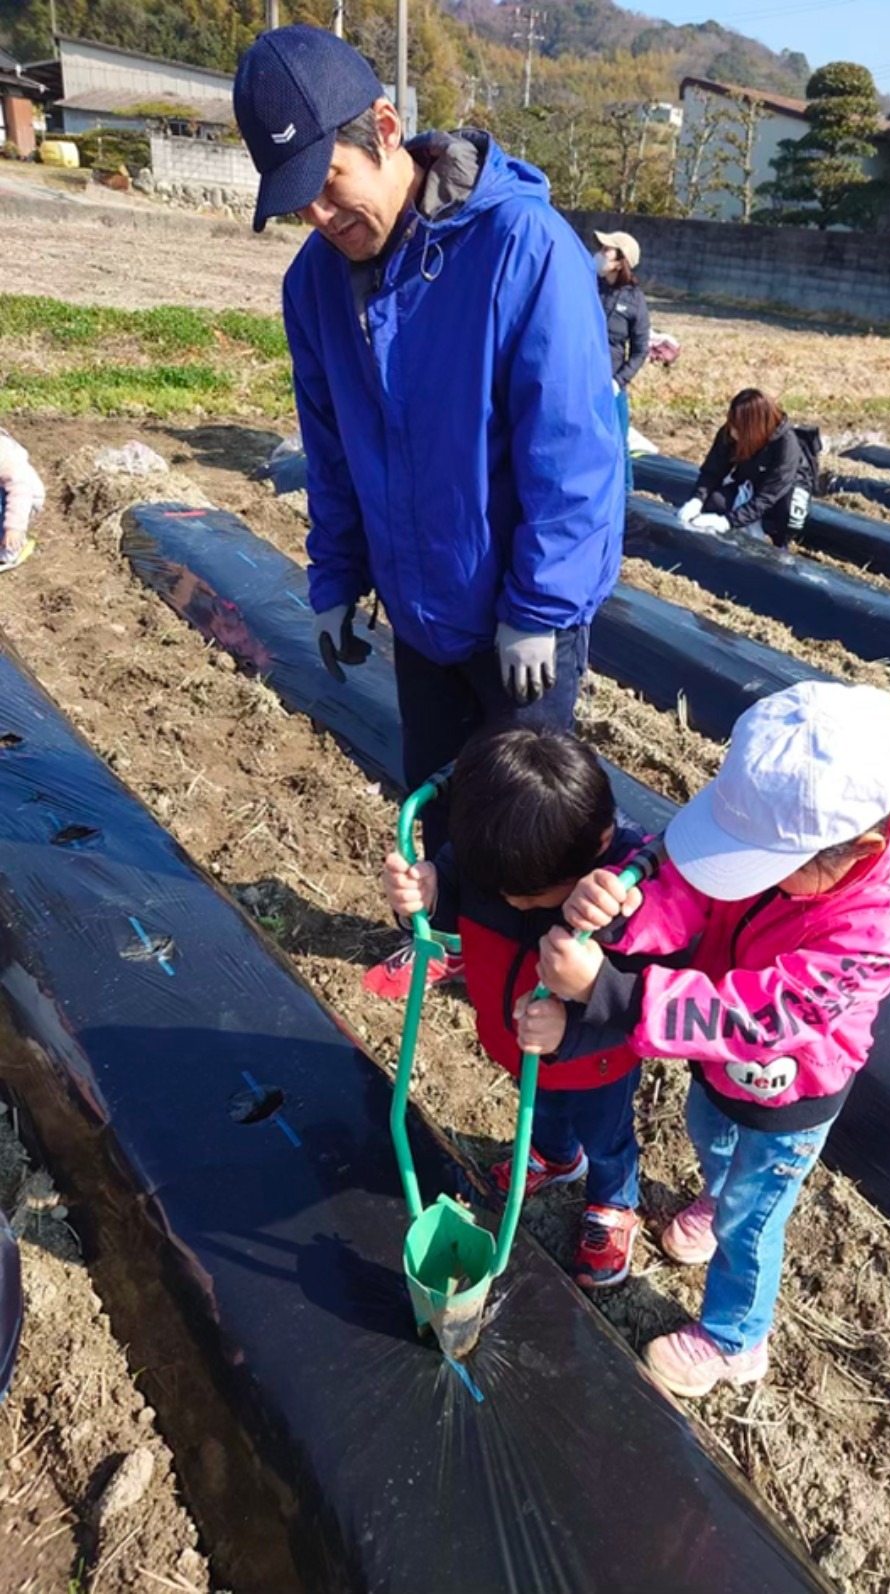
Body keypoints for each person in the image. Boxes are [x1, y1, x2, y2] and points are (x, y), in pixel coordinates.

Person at [233, 26, 624, 988]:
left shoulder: (520, 245)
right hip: (420, 605)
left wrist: (540, 607)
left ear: (385, 128)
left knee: (525, 821)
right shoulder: (314, 284)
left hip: (519, 614)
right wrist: (336, 577)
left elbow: (572, 448)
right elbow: (331, 447)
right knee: (436, 796)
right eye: (298, 200)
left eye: (330, 184)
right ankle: (446, 948)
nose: (321, 216)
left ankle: (547, 982)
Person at [520, 681, 890, 1396]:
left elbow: (759, 1018)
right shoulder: (779, 831)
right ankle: (716, 1197)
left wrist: (609, 992)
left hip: (789, 1093)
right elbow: (689, 887)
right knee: (710, 1134)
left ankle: (736, 1339)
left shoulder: (875, 926)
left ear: (858, 851)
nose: (746, 874)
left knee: (753, 1220)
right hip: (716, 1067)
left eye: (766, 865)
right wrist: (623, 912)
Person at [380, 727, 655, 1288]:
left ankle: (613, 1200)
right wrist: (429, 893)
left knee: (606, 1135)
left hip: (597, 1060)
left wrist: (572, 1028)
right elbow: (457, 890)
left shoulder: (629, 895)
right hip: (517, 1037)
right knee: (543, 1108)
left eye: (529, 898)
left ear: (599, 846)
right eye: (497, 891)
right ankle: (555, 1158)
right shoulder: (494, 852)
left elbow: (643, 1003)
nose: (510, 902)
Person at [678, 389, 820, 549]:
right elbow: (713, 471)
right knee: (714, 502)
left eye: (737, 428)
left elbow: (768, 496)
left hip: (783, 492)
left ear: (754, 427)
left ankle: (780, 543)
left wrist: (727, 521)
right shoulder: (731, 432)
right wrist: (697, 500)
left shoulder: (786, 446)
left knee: (790, 517)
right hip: (752, 481)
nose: (733, 432)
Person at [594, 230, 650, 493]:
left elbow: (640, 350)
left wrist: (618, 382)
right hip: (581, 378)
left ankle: (625, 496)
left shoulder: (634, 300)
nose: (599, 253)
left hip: (611, 385)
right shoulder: (589, 286)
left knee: (618, 444)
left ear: (620, 262)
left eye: (606, 249)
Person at [0, 428, 45, 572]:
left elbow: (20, 492)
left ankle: (11, 548)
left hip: (24, 498)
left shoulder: (5, 455)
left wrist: (14, 528)